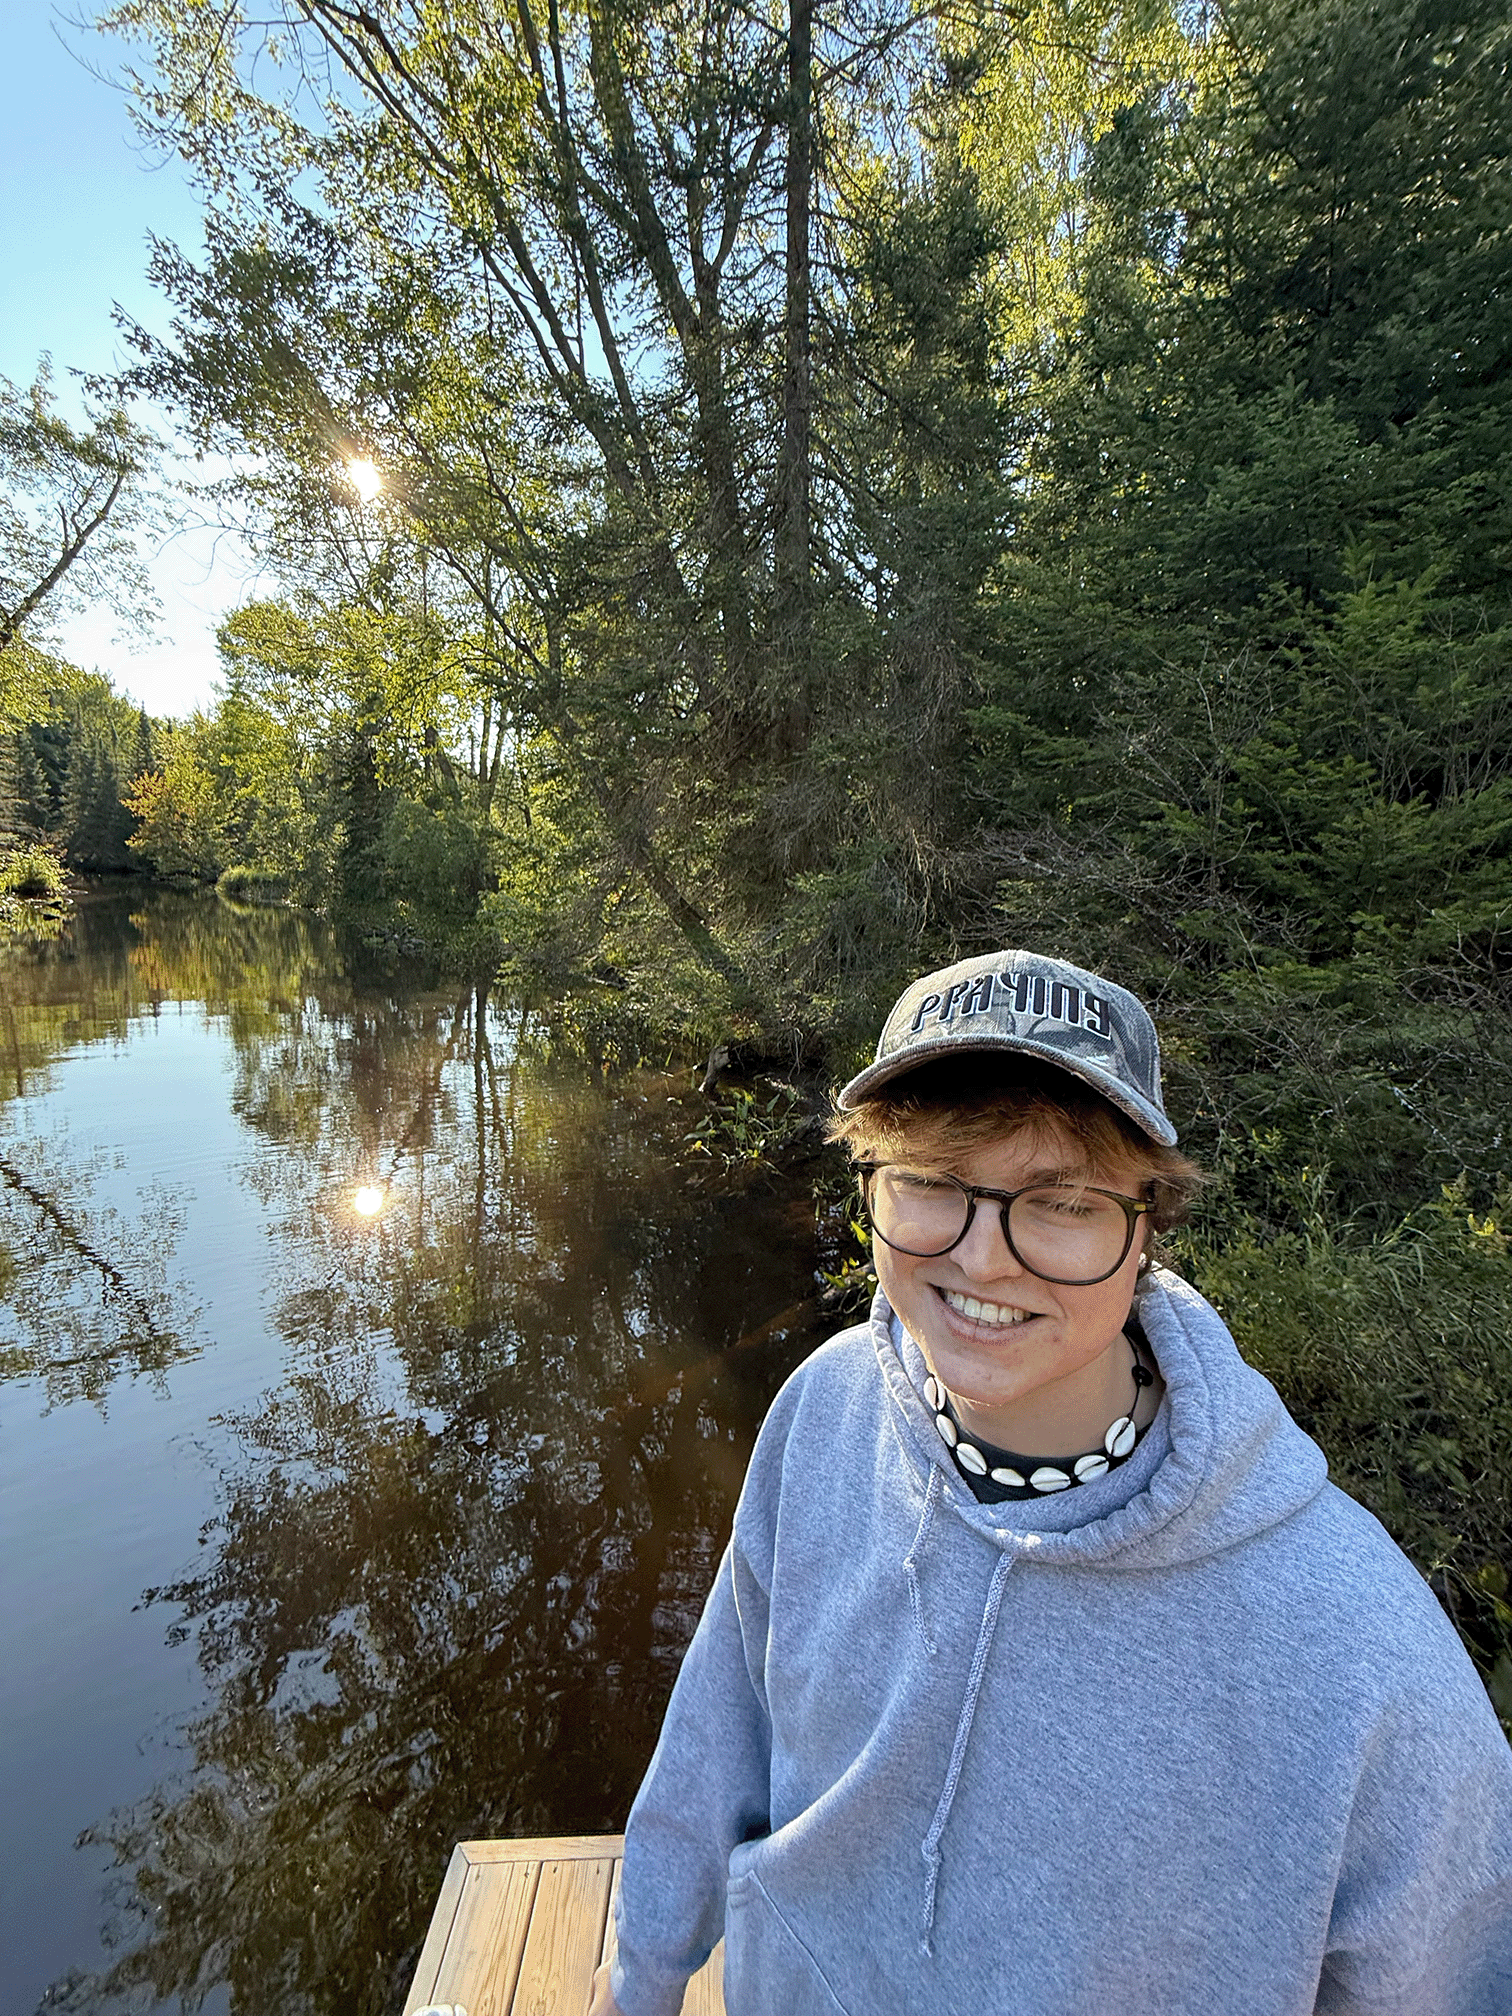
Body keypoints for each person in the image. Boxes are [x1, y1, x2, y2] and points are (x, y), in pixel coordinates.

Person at [589, 949, 1512, 2016]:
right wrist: (643, 1976)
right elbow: (724, 1719)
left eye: (1062, 1201)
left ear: (1147, 1230)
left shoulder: (1360, 1652)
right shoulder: (825, 1410)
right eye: (932, 1183)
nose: (982, 1260)